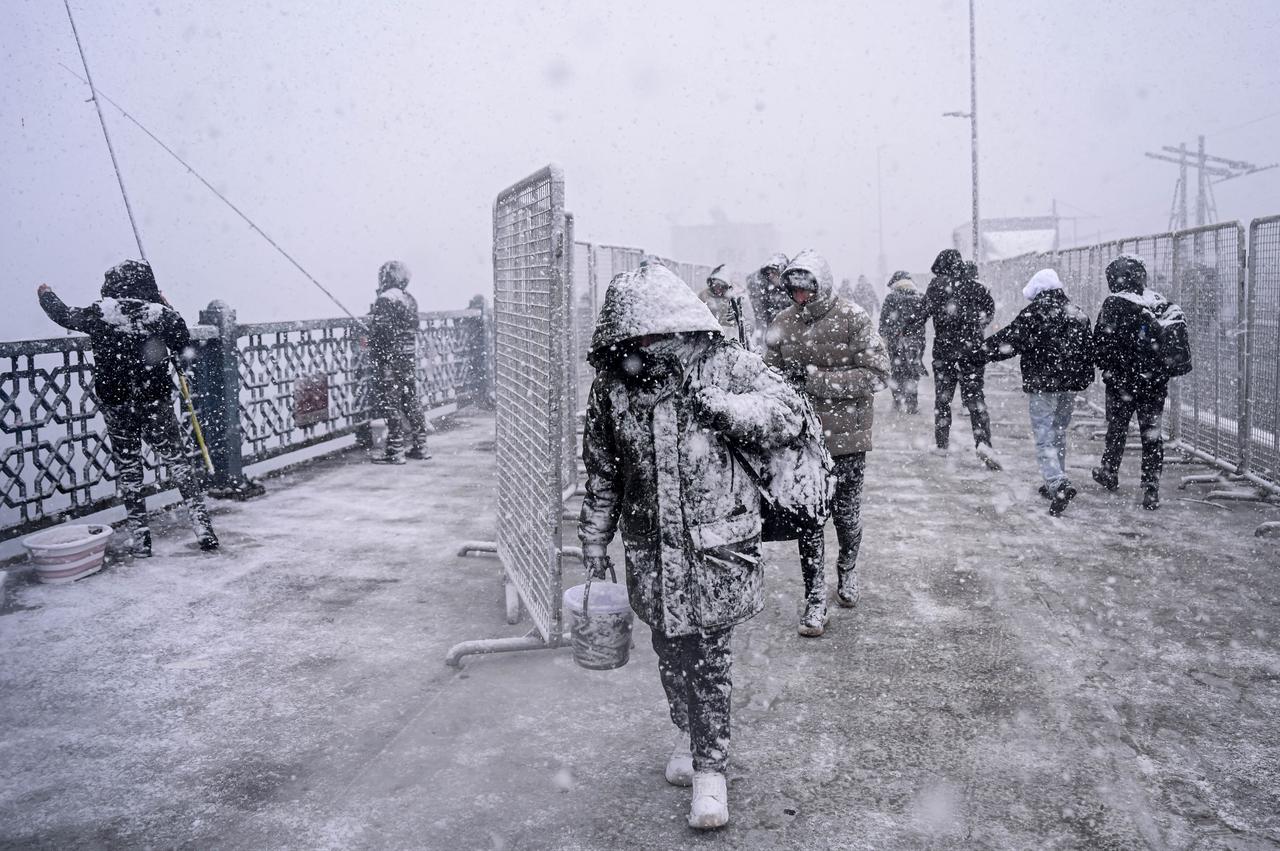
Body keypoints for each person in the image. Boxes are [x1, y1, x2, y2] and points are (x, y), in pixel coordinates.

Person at [579, 263, 805, 830]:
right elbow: (603, 470)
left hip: (714, 548)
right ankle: (686, 728)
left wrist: (725, 410)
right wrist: (594, 538)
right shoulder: (613, 386)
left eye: (654, 332)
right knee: (668, 651)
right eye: (635, 335)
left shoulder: (726, 366)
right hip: (650, 551)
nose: (646, 344)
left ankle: (711, 770)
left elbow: (789, 414)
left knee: (708, 658)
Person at [36, 260, 218, 556]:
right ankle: (203, 529)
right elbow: (185, 349)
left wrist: (46, 294)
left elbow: (64, 315)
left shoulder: (101, 313)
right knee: (179, 464)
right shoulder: (161, 315)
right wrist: (168, 307)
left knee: (130, 470)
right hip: (155, 402)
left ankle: (141, 539)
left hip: (117, 404)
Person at [765, 250, 890, 635]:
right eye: (794, 291)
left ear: (822, 286)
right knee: (810, 520)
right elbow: (766, 372)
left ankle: (847, 570)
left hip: (846, 440)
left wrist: (818, 381)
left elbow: (878, 373)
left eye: (807, 290)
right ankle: (815, 597)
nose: (800, 298)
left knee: (846, 518)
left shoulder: (853, 318)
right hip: (801, 443)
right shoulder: (782, 323)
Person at [979, 269, 1094, 515]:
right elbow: (1088, 353)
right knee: (1059, 432)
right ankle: (1054, 479)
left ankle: (1056, 481)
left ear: (1038, 291)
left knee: (1044, 436)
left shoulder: (1035, 314)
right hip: (1068, 386)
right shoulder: (1078, 315)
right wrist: (1081, 380)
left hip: (1043, 385)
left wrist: (979, 353)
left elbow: (1009, 340)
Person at [1091, 254, 1174, 509]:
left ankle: (1109, 471)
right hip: (1154, 384)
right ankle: (1151, 487)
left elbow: (1100, 344)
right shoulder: (1158, 301)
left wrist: (1108, 365)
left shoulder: (1114, 304)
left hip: (1122, 383)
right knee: (1152, 435)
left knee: (1117, 430)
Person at [915, 249, 1000, 469]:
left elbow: (921, 314)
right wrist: (979, 323)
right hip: (972, 352)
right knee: (975, 399)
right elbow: (989, 311)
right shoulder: (977, 287)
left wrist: (905, 331)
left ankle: (942, 445)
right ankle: (984, 443)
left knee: (943, 400)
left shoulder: (936, 287)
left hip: (945, 353)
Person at [367, 260, 431, 464]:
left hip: (390, 359)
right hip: (408, 357)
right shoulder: (410, 298)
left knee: (391, 403)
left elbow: (382, 333)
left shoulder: (385, 299)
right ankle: (421, 446)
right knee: (411, 400)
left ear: (386, 277)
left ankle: (395, 450)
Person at [878, 271, 928, 413]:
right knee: (913, 371)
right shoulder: (919, 298)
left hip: (896, 341)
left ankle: (898, 401)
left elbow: (883, 322)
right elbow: (923, 320)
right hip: (916, 341)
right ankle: (912, 404)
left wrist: (884, 337)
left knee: (897, 371)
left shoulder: (891, 298)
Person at [698, 264, 750, 346]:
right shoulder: (703, 296)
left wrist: (738, 321)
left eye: (722, 286)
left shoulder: (735, 300)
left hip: (731, 341)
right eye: (716, 284)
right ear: (711, 282)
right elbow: (697, 318)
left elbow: (749, 324)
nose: (718, 288)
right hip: (708, 340)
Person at [745, 252, 791, 344]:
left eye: (774, 272)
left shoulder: (792, 290)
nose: (770, 276)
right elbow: (760, 316)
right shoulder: (764, 290)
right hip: (770, 332)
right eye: (768, 273)